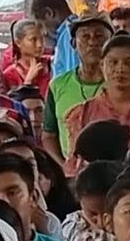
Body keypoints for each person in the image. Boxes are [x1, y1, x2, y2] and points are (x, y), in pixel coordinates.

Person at [44, 14, 112, 161]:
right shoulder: (57, 85)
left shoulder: (120, 84)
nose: (92, 42)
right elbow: (49, 135)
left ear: (110, 41)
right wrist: (63, 167)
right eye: (85, 36)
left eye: (99, 36)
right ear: (74, 44)